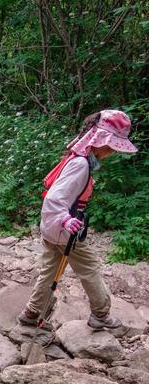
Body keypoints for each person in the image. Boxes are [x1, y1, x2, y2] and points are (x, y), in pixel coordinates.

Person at [19, 109, 137, 331]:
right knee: (90, 267)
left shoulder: (76, 158)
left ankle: (31, 313)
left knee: (49, 272)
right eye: (112, 145)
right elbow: (55, 198)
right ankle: (101, 315)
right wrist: (65, 219)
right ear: (100, 141)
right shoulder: (81, 165)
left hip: (51, 229)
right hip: (65, 230)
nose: (112, 151)